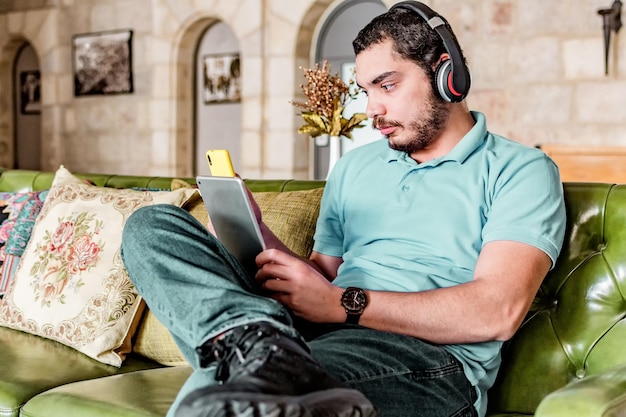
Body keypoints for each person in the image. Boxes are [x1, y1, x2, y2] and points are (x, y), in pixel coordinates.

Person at [120, 2, 566, 417]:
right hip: (309, 333)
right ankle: (258, 345)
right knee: (150, 226)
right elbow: (322, 273)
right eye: (366, 89)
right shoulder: (355, 166)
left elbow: (497, 311)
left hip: (428, 361)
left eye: (387, 85)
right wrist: (258, 236)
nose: (372, 109)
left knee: (219, 394)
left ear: (446, 74)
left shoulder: (521, 170)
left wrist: (341, 305)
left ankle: (262, 360)